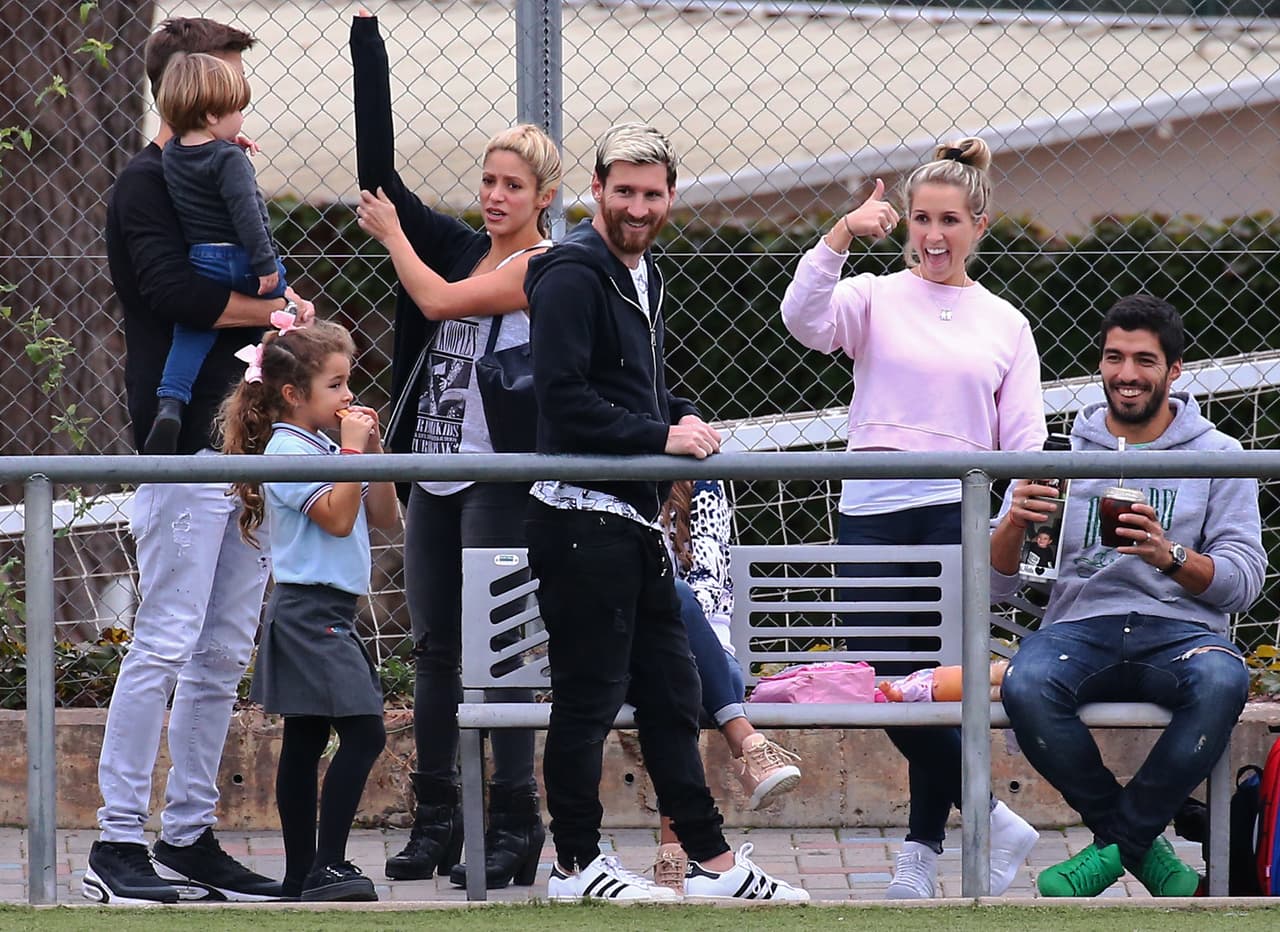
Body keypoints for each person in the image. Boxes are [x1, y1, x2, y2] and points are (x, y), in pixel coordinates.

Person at [523, 121, 808, 902]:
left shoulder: (642, 272)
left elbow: (634, 387)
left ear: (671, 196)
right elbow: (563, 400)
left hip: (633, 527)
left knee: (673, 697)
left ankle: (713, 866)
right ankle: (574, 867)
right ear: (597, 190)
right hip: (581, 523)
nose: (639, 207)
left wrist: (682, 415)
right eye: (625, 192)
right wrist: (660, 434)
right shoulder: (572, 273)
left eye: (653, 194)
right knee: (586, 702)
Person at [780, 137, 1044, 898]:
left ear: (979, 226)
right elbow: (803, 317)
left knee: (933, 689)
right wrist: (841, 233)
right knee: (882, 688)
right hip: (870, 514)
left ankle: (920, 859)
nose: (934, 234)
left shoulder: (1005, 323)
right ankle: (993, 819)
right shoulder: (871, 297)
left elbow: (1023, 439)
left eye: (951, 220)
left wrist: (1014, 521)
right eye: (922, 218)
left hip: (952, 518)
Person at [88, 17, 313, 906]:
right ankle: (116, 839)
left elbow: (265, 271)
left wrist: (282, 307)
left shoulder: (232, 174)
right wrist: (271, 312)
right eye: (220, 87)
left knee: (223, 648)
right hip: (185, 445)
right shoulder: (144, 185)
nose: (234, 109)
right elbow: (171, 290)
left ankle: (187, 833)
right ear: (179, 88)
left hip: (250, 442)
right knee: (166, 638)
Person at [349, 10, 560, 888]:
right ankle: (436, 814)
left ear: (542, 195)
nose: (495, 196)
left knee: (499, 648)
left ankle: (515, 818)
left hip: (500, 479)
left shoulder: (545, 267)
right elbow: (381, 180)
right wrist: (367, 44)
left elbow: (438, 303)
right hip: (435, 472)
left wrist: (394, 239)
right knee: (436, 648)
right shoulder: (464, 243)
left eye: (512, 184)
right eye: (488, 180)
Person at [991, 294, 1265, 897]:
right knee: (1026, 683)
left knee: (1223, 681)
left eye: (1144, 360)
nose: (1127, 374)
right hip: (1079, 629)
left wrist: (1170, 556)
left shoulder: (1219, 456)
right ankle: (1145, 852)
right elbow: (998, 584)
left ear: (1174, 370)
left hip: (1183, 634)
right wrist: (1012, 523)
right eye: (1114, 358)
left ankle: (1115, 847)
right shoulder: (1058, 454)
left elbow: (1244, 583)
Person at [219, 318, 399, 901]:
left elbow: (383, 516)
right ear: (294, 395)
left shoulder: (325, 445)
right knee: (366, 733)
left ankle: (301, 875)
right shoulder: (288, 450)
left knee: (305, 740)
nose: (350, 397)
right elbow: (338, 517)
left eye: (349, 384)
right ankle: (328, 866)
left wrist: (370, 450)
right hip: (308, 609)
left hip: (331, 609)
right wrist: (350, 449)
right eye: (337, 386)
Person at [652, 479, 803, 892]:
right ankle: (746, 743)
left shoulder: (702, 485)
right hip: (633, 648)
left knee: (677, 629)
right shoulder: (609, 490)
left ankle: (674, 852)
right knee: (669, 669)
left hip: (707, 650)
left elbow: (709, 580)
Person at [145, 51, 289, 455]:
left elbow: (200, 159)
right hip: (242, 260)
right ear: (212, 115)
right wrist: (267, 266)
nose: (242, 118)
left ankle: (171, 403)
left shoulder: (172, 152)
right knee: (284, 306)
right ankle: (277, 383)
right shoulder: (228, 160)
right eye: (237, 110)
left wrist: (230, 144)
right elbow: (248, 216)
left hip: (202, 261)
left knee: (190, 336)